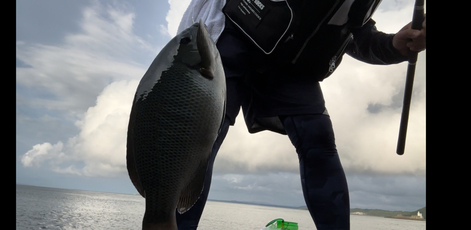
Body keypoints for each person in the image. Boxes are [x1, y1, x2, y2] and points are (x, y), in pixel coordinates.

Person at [175, 0, 426, 229]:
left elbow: (354, 31)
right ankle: (167, 222)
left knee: (319, 141)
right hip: (234, 33)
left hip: (292, 62)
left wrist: (394, 46)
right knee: (202, 138)